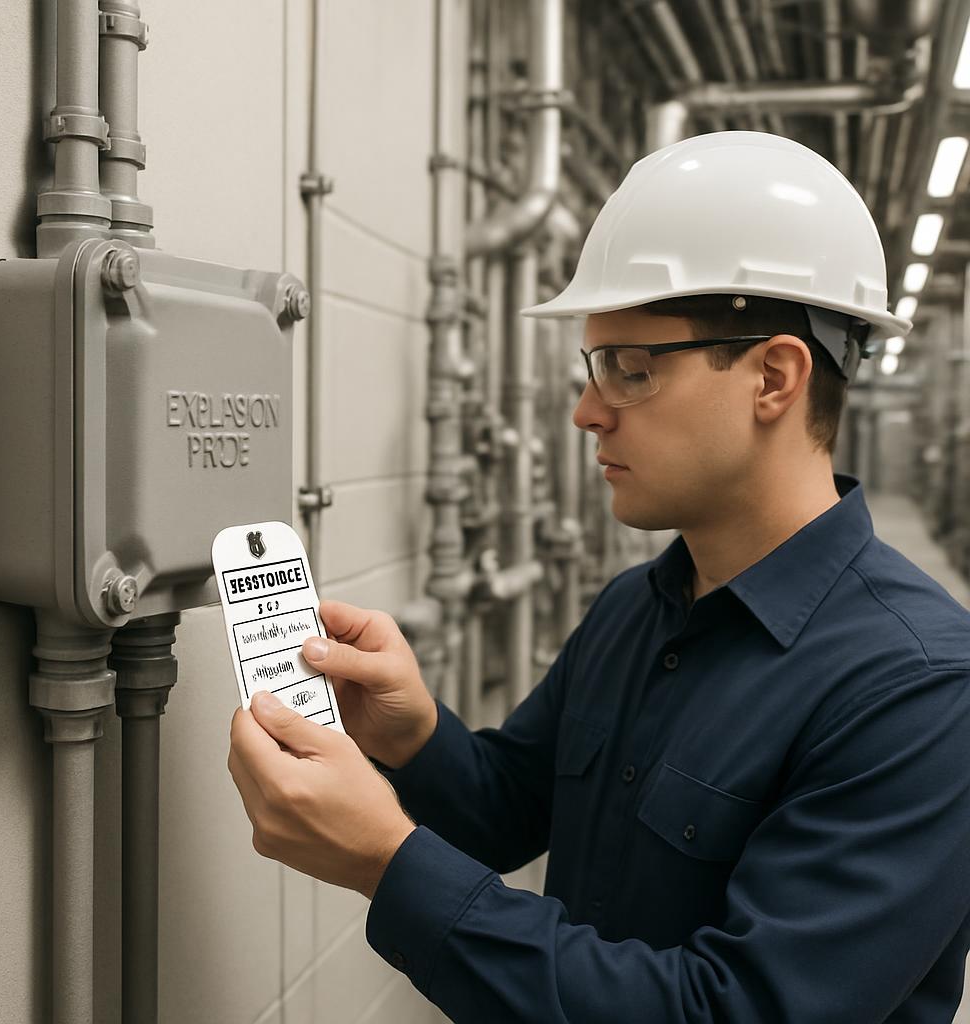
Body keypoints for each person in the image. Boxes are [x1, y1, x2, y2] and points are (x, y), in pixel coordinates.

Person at [228, 132, 970, 1022]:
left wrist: (388, 865)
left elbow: (732, 1009)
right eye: (594, 368)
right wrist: (415, 736)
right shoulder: (638, 607)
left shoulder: (919, 690)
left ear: (774, 377)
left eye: (630, 369)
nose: (587, 411)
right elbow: (512, 807)